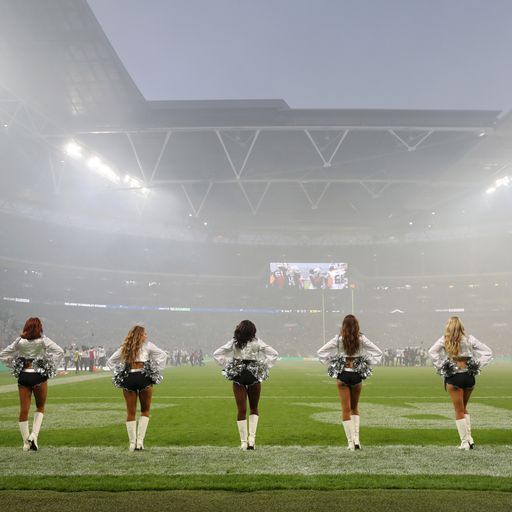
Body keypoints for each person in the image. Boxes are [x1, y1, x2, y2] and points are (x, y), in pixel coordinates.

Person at [317, 314, 382, 450]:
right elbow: (378, 352)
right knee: (354, 408)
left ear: (343, 326)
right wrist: (365, 362)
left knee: (345, 409)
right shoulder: (361, 338)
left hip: (343, 374)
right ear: (357, 325)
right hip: (357, 375)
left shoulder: (338, 339)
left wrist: (333, 362)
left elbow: (321, 353)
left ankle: (350, 443)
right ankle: (357, 439)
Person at [428, 316, 492, 450]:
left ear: (448, 327)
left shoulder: (445, 339)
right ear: (461, 326)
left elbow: (432, 352)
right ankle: (470, 439)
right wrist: (477, 365)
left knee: (458, 410)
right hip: (469, 377)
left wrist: (441, 366)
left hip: (454, 377)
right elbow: (488, 352)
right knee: (463, 408)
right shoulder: (470, 339)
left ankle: (464, 443)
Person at [0, 317, 63, 451]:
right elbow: (60, 351)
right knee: (40, 407)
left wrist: (11, 362)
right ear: (39, 327)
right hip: (38, 375)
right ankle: (34, 435)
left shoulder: (20, 341)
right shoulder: (43, 340)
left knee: (23, 410)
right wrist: (51, 364)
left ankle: (25, 443)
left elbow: (2, 354)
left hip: (23, 376)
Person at [213, 320, 278, 450]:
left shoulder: (234, 342)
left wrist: (229, 363)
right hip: (254, 375)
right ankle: (252, 441)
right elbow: (274, 354)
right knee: (254, 408)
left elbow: (217, 354)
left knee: (241, 410)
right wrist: (263, 365)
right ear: (252, 330)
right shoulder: (257, 342)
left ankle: (243, 442)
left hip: (238, 376)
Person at [107, 325, 167, 451]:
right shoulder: (148, 345)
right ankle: (140, 442)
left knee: (130, 412)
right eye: (144, 333)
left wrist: (118, 373)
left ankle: (131, 444)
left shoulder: (125, 347)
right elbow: (163, 355)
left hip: (129, 378)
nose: (146, 336)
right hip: (144, 377)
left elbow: (110, 362)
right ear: (140, 334)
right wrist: (156, 368)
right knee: (145, 410)